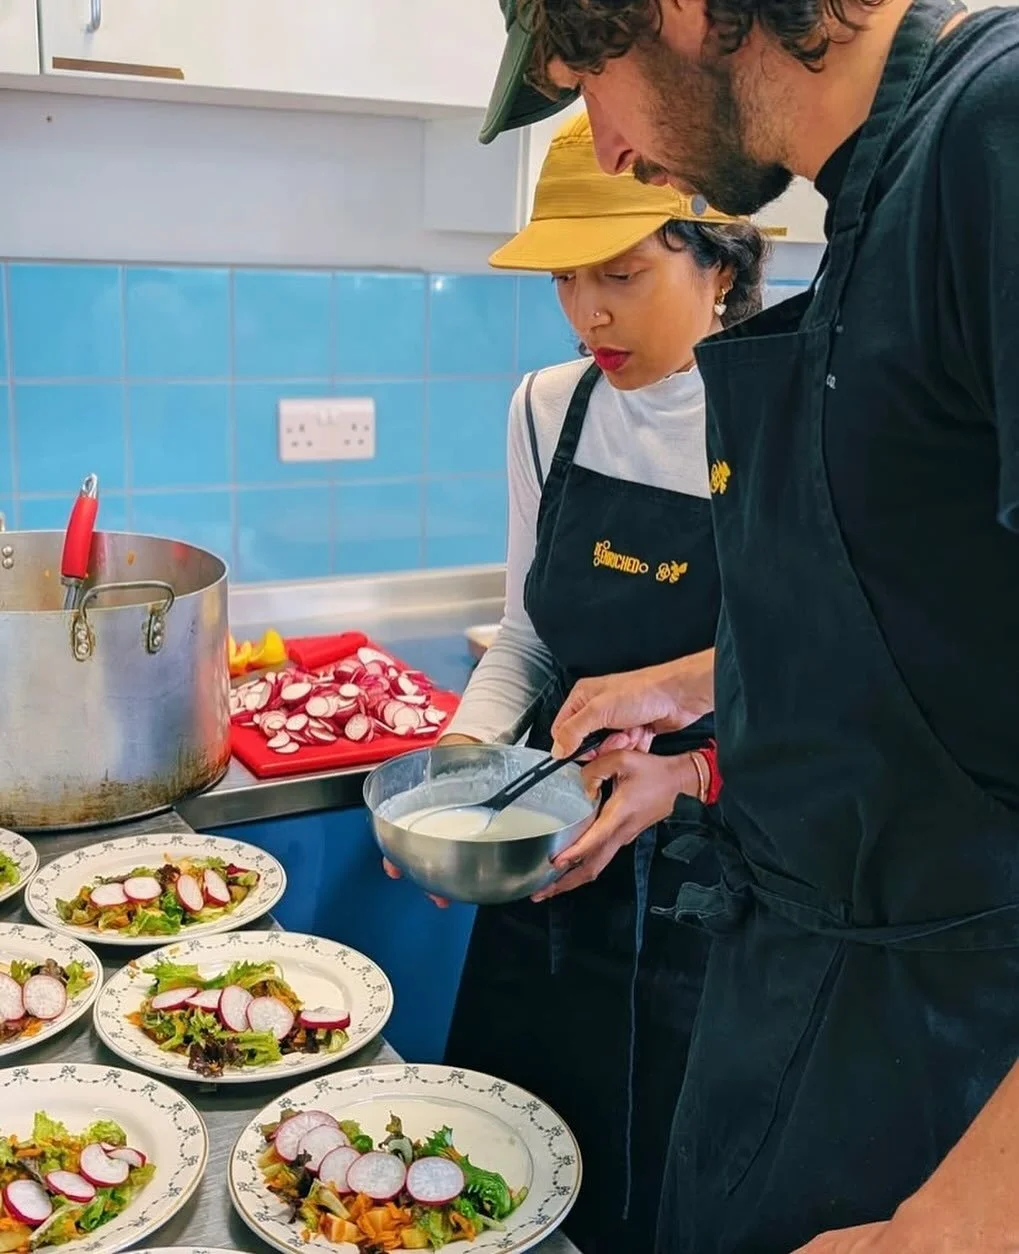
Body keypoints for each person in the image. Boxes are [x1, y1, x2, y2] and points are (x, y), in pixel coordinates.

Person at [478, 0, 1019, 1252]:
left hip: (941, 1074)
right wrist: (692, 683)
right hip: (797, 1006)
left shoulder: (994, 139)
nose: (605, 149)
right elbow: (928, 643)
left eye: (586, 75)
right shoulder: (873, 213)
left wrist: (960, 1220)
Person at [386, 111, 767, 1253]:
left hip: (721, 898)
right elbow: (529, 642)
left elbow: (837, 693)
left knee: (652, 1207)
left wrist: (687, 768)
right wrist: (461, 773)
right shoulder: (549, 407)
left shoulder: (786, 419)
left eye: (621, 272)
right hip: (548, 873)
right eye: (565, 278)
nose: (587, 311)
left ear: (720, 263)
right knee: (490, 1185)